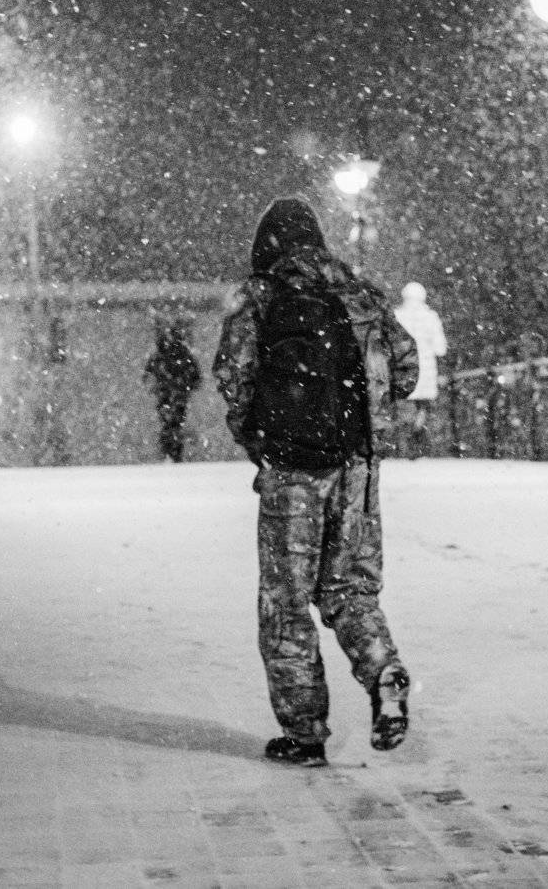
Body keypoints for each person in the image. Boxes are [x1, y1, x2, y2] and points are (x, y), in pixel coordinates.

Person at [213, 196, 419, 767]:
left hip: (292, 473)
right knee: (349, 589)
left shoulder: (261, 298)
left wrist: (258, 435)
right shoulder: (360, 295)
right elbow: (407, 366)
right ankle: (383, 670)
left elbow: (232, 374)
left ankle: (305, 734)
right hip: (356, 468)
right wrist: (363, 416)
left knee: (286, 602)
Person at [394, 282, 448, 458]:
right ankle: (416, 438)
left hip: (403, 368)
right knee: (422, 406)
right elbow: (440, 348)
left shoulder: (397, 316)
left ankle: (401, 442)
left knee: (403, 402)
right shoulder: (430, 317)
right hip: (426, 371)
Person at [144, 318, 201, 463]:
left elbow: (148, 374)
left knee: (169, 422)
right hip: (178, 394)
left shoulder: (160, 355)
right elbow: (195, 377)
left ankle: (170, 451)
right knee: (175, 422)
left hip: (168, 393)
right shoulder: (183, 354)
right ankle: (173, 451)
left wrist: (157, 385)